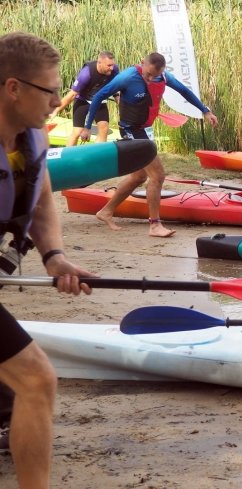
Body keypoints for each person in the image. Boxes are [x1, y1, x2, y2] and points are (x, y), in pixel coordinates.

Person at [0, 31, 97, 488]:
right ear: (13, 87)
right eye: (49, 90)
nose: (58, 101)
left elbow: (40, 202)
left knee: (32, 381)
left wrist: (54, 256)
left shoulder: (29, 139)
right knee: (35, 379)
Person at [79, 52, 219, 237]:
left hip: (144, 130)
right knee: (158, 175)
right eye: (148, 74)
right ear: (142, 63)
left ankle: (106, 211)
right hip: (131, 130)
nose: (151, 78)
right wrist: (87, 127)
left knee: (138, 177)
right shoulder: (127, 77)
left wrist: (205, 111)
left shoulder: (164, 77)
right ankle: (154, 225)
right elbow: (98, 97)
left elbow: (184, 91)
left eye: (156, 75)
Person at [49, 51, 119, 146]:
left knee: (104, 129)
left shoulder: (114, 70)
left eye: (112, 65)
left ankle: (96, 155)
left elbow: (115, 86)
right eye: (109, 65)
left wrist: (118, 100)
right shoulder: (86, 74)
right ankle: (69, 155)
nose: (111, 68)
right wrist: (56, 110)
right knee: (77, 131)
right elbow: (72, 95)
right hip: (82, 100)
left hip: (99, 100)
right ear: (99, 63)